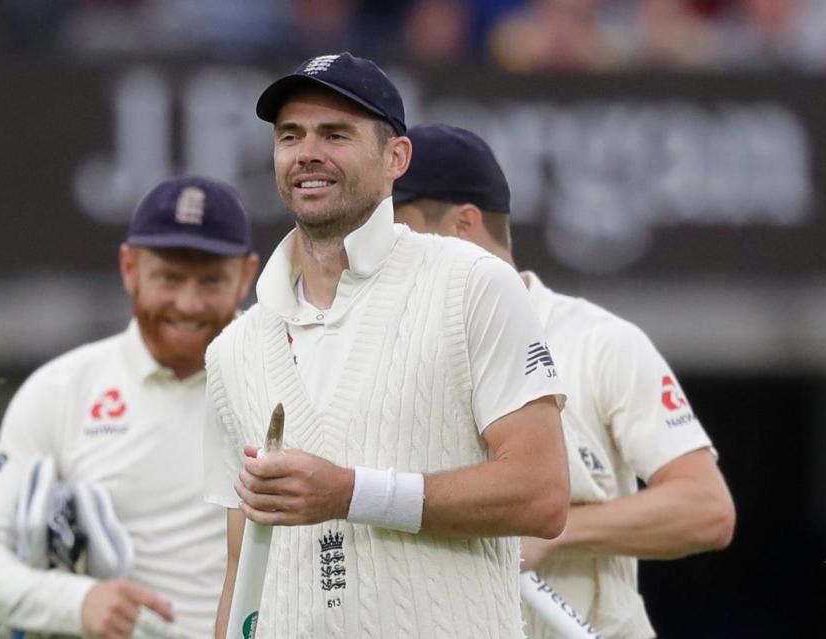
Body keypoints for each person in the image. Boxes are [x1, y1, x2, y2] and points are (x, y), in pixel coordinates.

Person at [202, 52, 571, 639]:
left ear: (396, 158)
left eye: (336, 134)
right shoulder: (233, 350)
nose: (308, 153)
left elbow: (542, 494)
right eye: (290, 136)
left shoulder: (472, 284)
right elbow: (239, 569)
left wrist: (352, 493)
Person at [391, 123, 736, 638]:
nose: (388, 255)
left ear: (464, 224)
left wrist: (559, 529)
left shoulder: (599, 342)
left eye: (402, 231)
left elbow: (707, 509)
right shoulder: (391, 363)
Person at [0, 176, 260, 639]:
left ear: (246, 276)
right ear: (129, 268)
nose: (189, 304)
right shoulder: (61, 390)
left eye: (211, 281)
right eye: (169, 278)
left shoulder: (282, 381)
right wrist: (76, 601)